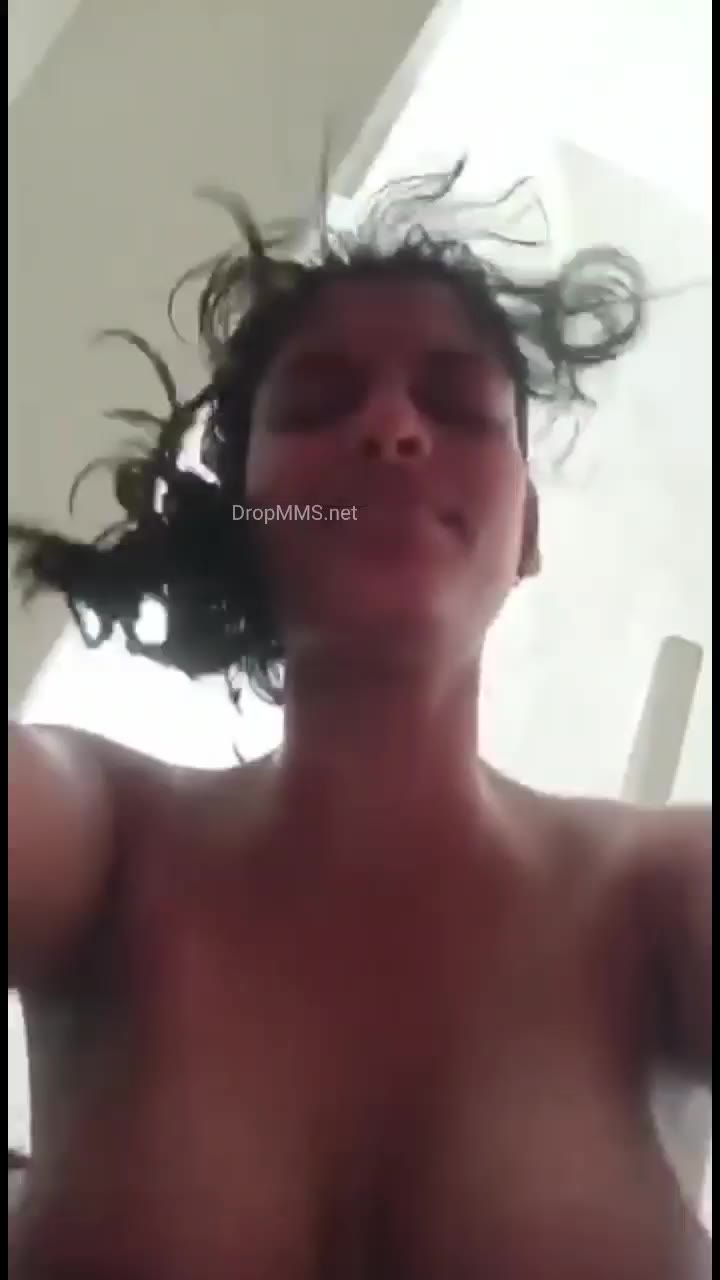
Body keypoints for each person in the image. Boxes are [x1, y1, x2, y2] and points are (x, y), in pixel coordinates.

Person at [8, 168, 711, 1278]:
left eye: (458, 404)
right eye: (320, 403)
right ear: (253, 504)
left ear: (525, 529)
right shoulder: (100, 836)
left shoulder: (665, 885)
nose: (389, 427)